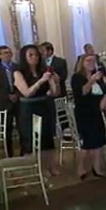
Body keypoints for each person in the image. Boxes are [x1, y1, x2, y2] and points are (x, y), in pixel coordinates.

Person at [13, 44, 61, 176]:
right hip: (28, 108)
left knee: (47, 137)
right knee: (33, 138)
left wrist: (54, 82)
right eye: (31, 55)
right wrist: (40, 81)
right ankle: (38, 167)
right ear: (24, 57)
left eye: (36, 55)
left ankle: (50, 165)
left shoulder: (43, 70)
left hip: (44, 106)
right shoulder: (18, 73)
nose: (34, 57)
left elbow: (54, 93)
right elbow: (27, 92)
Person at [71, 54, 106, 179]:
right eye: (88, 60)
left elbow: (105, 91)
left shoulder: (99, 76)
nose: (91, 63)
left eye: (93, 60)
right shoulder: (77, 78)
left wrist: (105, 98)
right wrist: (91, 80)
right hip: (84, 113)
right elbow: (82, 92)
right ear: (82, 62)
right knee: (86, 143)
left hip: (97, 112)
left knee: (99, 141)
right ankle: (81, 168)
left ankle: (97, 168)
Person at [0, 45, 18, 157]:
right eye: (4, 53)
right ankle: (9, 153)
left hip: (18, 101)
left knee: (22, 127)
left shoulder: (17, 67)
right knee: (7, 129)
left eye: (9, 52)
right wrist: (7, 95)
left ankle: (25, 151)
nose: (7, 55)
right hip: (4, 103)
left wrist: (16, 95)